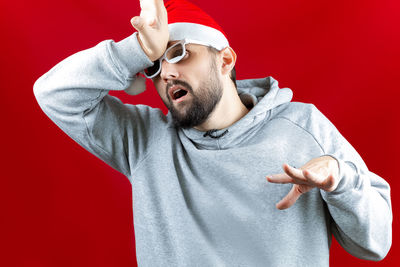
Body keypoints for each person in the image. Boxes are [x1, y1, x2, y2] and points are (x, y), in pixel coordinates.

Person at [33, 0, 392, 266]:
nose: (166, 73)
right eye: (154, 66)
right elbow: (54, 93)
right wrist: (135, 51)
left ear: (225, 60)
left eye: (178, 53)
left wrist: (342, 181)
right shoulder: (144, 138)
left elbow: (374, 245)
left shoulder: (305, 127)